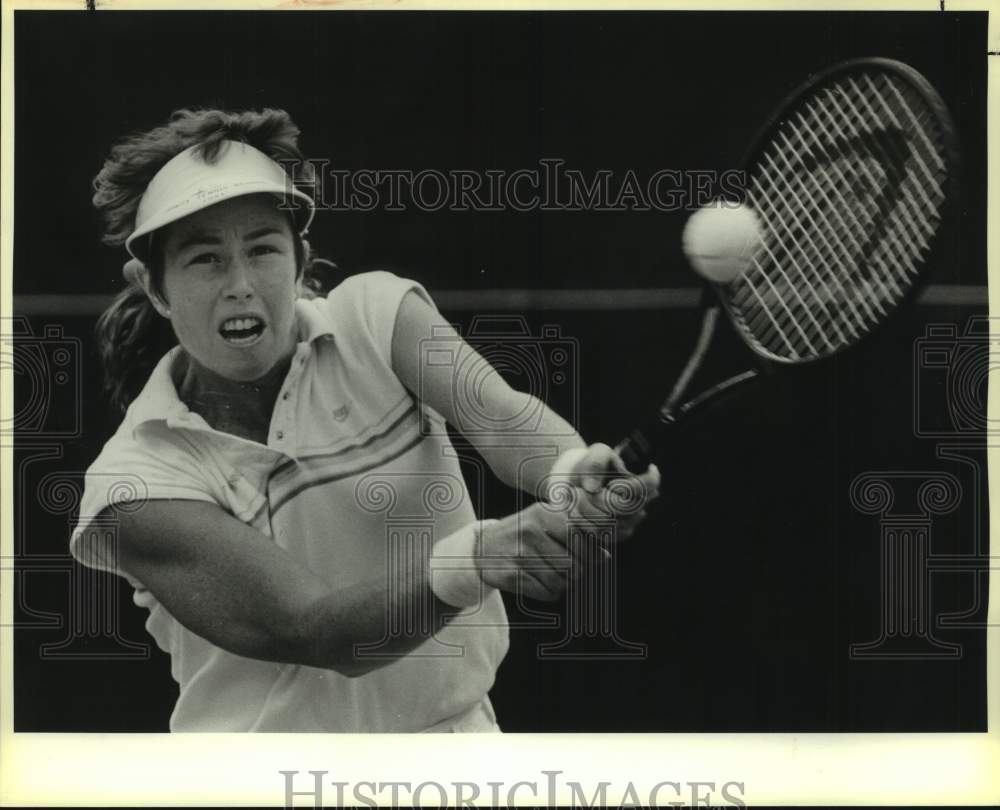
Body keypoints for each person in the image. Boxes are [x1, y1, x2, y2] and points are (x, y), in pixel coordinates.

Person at [70, 107, 660, 732]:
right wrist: (479, 557)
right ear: (153, 286)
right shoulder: (134, 485)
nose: (241, 283)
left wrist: (574, 474)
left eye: (263, 249)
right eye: (205, 259)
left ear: (301, 260)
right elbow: (318, 629)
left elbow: (501, 419)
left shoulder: (378, 317)